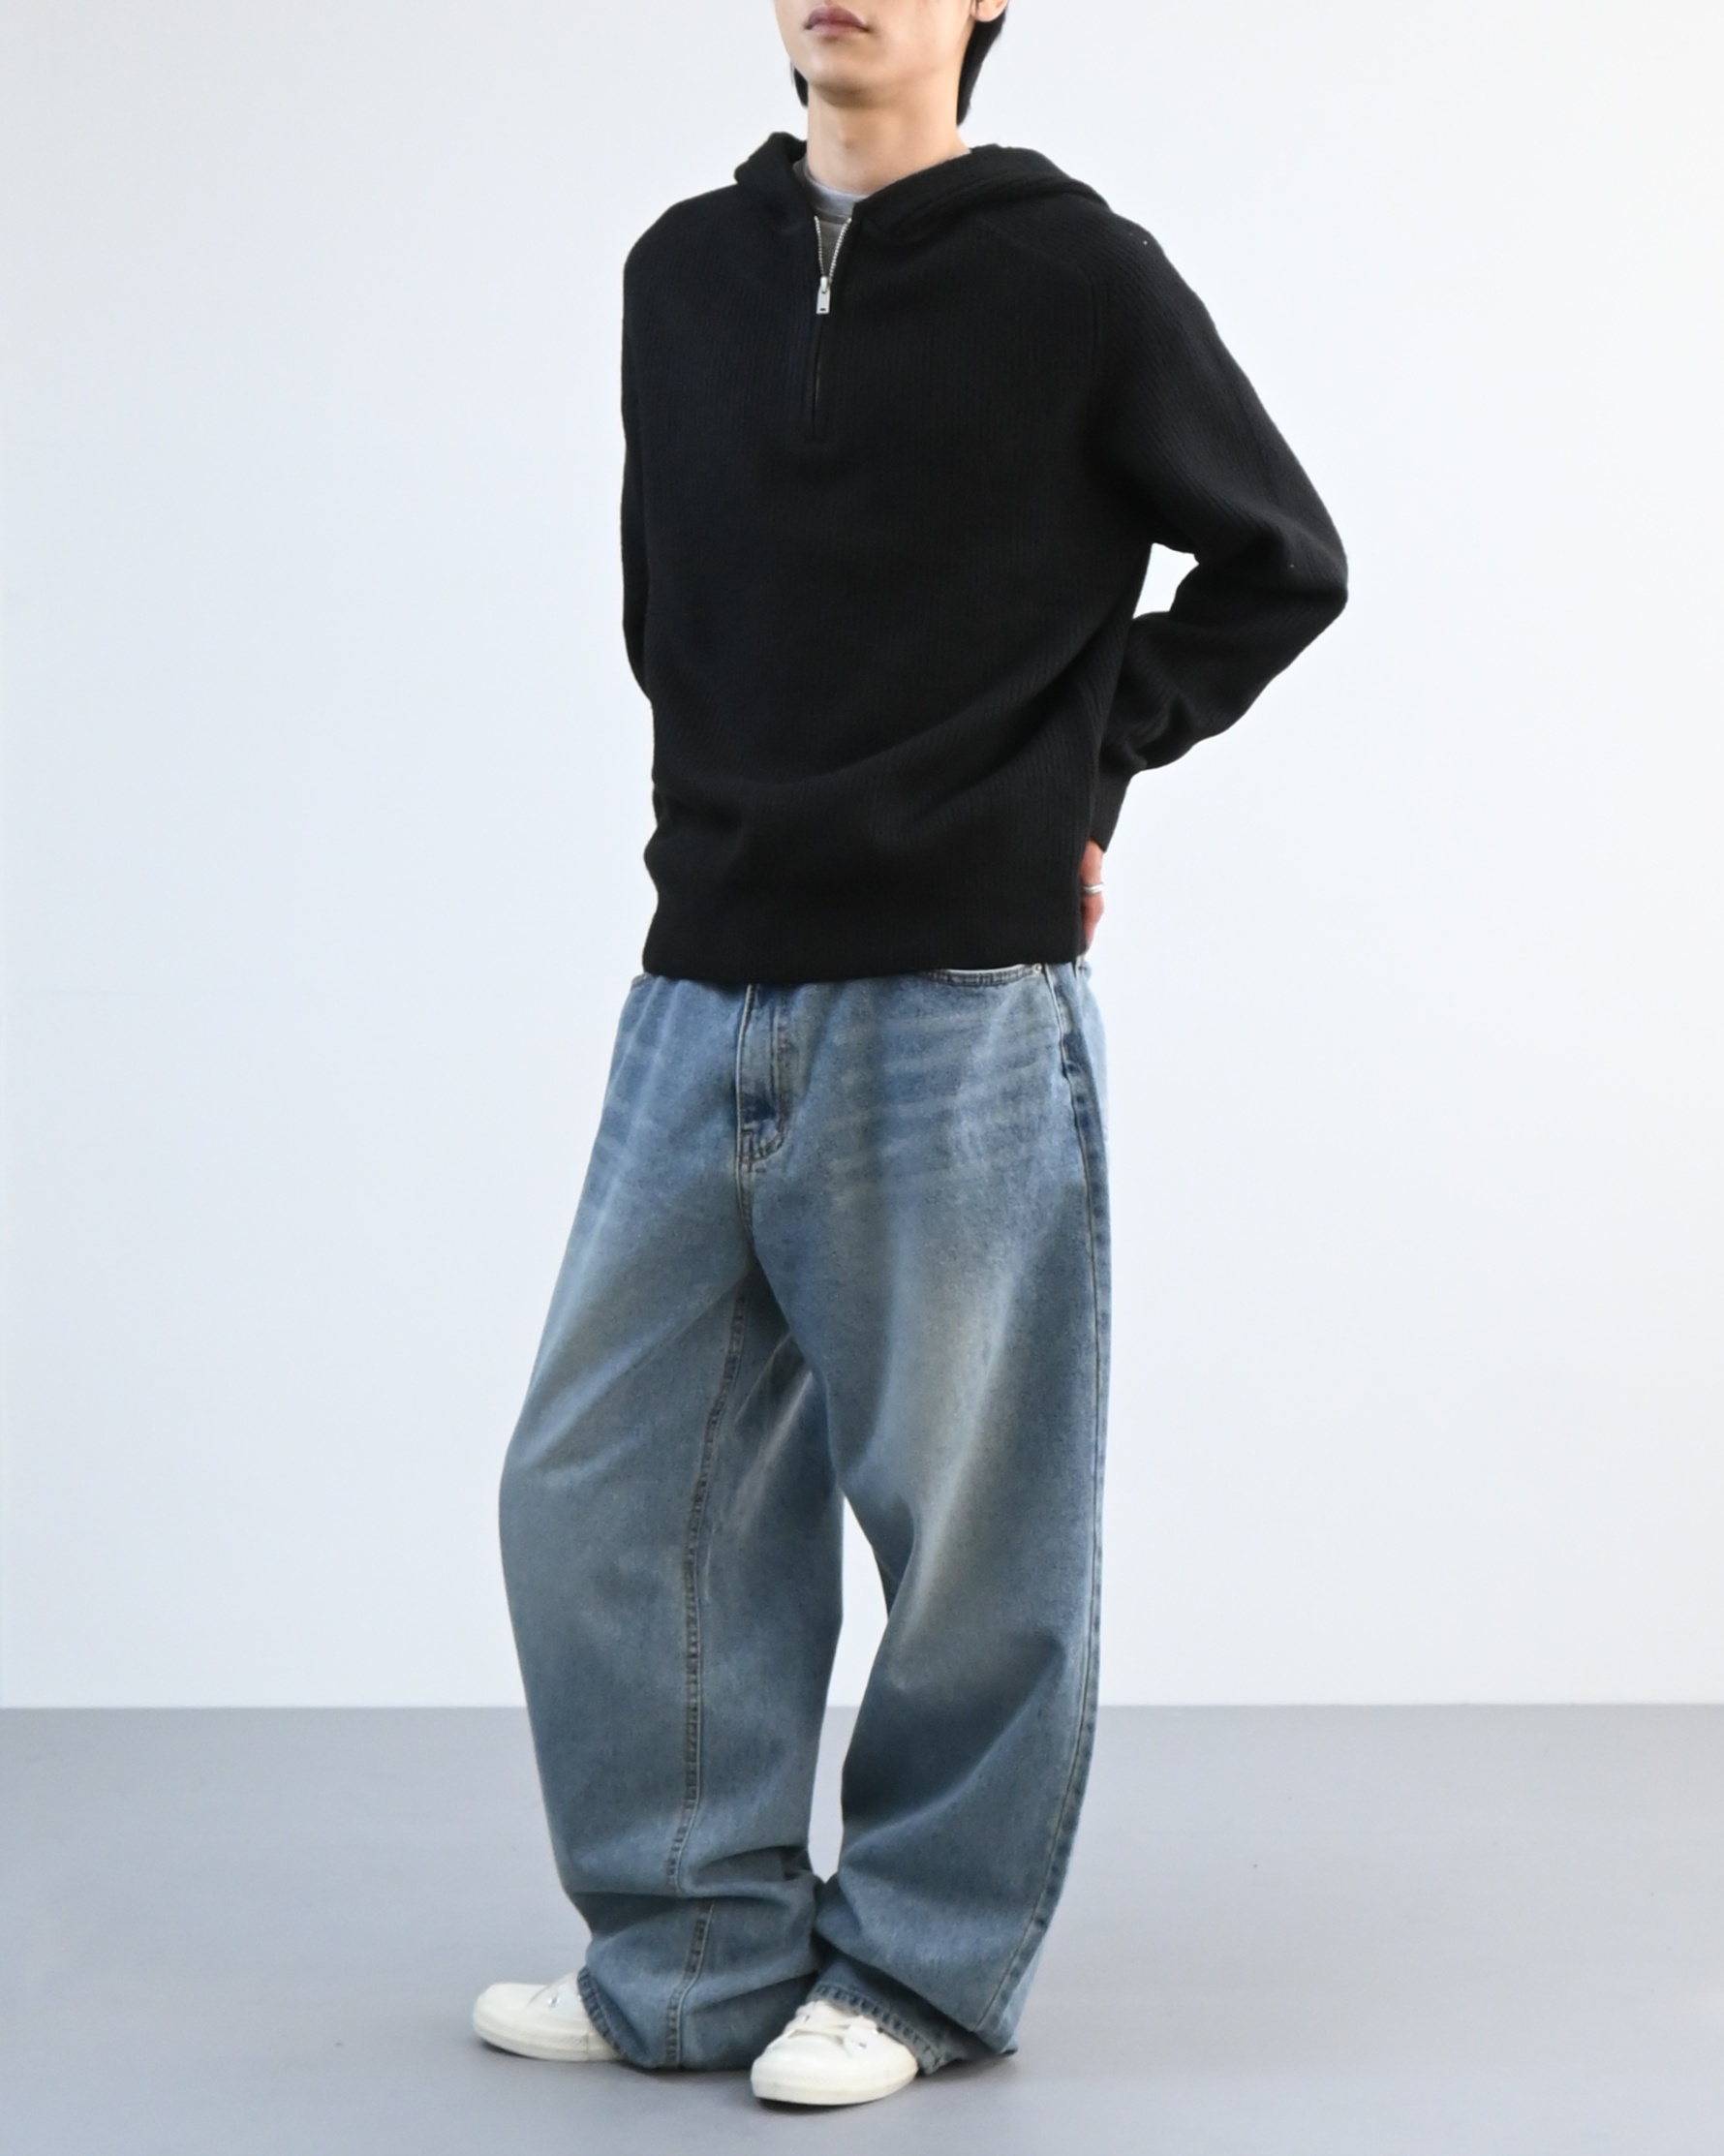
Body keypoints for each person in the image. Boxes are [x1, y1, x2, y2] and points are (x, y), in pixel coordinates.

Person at [473, 0, 1345, 2111]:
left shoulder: (1080, 278)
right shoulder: (679, 273)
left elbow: (1279, 562)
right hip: (700, 976)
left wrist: (1068, 773)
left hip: (956, 994)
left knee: (967, 1534)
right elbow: (669, 611)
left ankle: (926, 1969)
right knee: (600, 1487)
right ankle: (690, 1958)